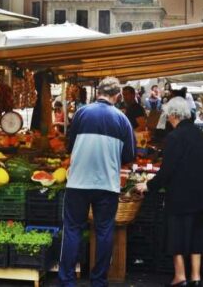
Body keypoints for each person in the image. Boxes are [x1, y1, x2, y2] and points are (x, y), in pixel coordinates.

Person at [59, 77, 136, 287]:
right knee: (104, 231)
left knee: (73, 229)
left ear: (97, 92)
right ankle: (99, 281)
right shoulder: (123, 120)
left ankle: (66, 281)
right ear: (118, 96)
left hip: (78, 182)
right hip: (107, 184)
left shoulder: (82, 113)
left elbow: (69, 146)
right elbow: (129, 156)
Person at [136, 97, 203, 287]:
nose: (168, 119)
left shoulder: (174, 137)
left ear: (175, 115)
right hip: (201, 194)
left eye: (169, 115)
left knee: (176, 233)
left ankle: (180, 276)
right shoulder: (200, 135)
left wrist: (149, 186)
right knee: (196, 234)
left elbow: (167, 170)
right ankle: (196, 277)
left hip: (180, 195)